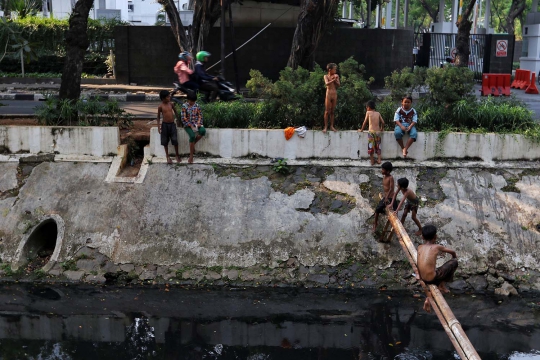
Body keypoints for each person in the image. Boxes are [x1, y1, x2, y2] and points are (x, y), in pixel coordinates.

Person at [416, 224, 458, 312]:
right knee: (454, 262)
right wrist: (453, 258)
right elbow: (453, 252)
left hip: (423, 278)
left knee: (435, 269)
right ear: (435, 236)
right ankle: (440, 287)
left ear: (422, 237)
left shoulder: (419, 247)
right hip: (433, 278)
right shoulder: (437, 247)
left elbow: (418, 262)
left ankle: (439, 287)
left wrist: (418, 275)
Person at [181, 92, 206, 164]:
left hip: (196, 124)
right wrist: (190, 125)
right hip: (188, 125)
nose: (192, 103)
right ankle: (191, 156)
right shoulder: (184, 106)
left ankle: (193, 144)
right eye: (191, 101)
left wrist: (198, 123)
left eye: (193, 101)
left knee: (203, 131)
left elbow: (200, 115)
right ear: (188, 100)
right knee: (192, 136)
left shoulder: (197, 106)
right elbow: (183, 118)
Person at [157, 90, 181, 164]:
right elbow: (158, 117)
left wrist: (178, 121)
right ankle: (167, 156)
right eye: (168, 96)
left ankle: (177, 155)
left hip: (172, 124)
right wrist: (158, 126)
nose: (169, 97)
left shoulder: (171, 104)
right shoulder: (160, 107)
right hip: (165, 125)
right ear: (163, 98)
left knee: (175, 140)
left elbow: (176, 112)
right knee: (165, 142)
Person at [359, 100, 385, 165]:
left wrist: (361, 129)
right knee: (378, 146)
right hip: (378, 132)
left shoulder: (368, 112)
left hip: (371, 132)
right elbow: (383, 122)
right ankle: (379, 160)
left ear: (368, 107)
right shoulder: (378, 113)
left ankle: (372, 161)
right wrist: (382, 128)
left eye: (366, 107)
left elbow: (365, 122)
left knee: (371, 146)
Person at [372, 161, 396, 233]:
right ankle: (375, 223)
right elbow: (385, 187)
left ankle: (393, 227)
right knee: (377, 210)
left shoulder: (390, 178)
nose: (381, 171)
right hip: (385, 197)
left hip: (390, 197)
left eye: (383, 170)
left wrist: (386, 197)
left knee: (394, 212)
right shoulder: (384, 176)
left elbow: (391, 188)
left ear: (388, 171)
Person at [323, 63, 340, 133]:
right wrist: (333, 80)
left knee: (332, 111)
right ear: (330, 70)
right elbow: (327, 83)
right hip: (328, 94)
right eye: (334, 69)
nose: (335, 70)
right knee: (327, 111)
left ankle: (332, 126)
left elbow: (338, 85)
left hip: (334, 94)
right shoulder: (326, 76)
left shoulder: (336, 76)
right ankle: (325, 126)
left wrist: (335, 80)